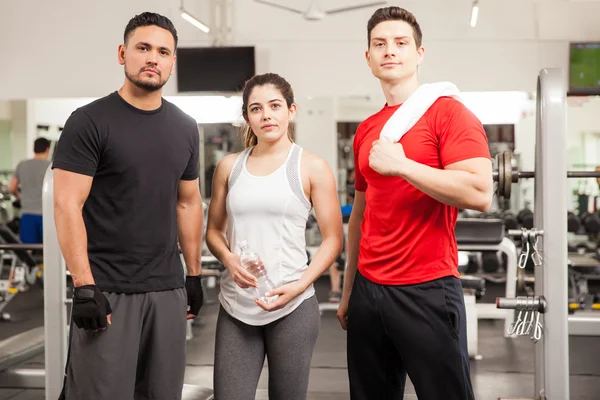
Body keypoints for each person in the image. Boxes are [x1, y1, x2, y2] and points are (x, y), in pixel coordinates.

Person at [336, 6, 493, 400]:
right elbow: (361, 214)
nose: (390, 51)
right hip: (370, 291)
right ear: (368, 57)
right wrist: (350, 288)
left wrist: (404, 166)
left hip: (427, 288)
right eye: (380, 44)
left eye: (401, 43)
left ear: (419, 53)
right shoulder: (367, 130)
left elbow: (480, 192)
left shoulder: (449, 113)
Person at [51, 12, 204, 400]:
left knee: (162, 393)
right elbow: (67, 204)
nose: (153, 58)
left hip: (167, 289)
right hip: (107, 290)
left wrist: (195, 275)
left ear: (173, 62)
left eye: (163, 51)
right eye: (143, 48)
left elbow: (188, 203)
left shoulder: (186, 127)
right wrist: (84, 286)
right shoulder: (88, 121)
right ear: (123, 54)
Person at [206, 72, 343, 400]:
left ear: (291, 111)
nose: (266, 115)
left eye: (275, 106)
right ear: (246, 118)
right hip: (237, 305)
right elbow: (213, 232)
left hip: (293, 306)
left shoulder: (311, 166)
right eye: (256, 108)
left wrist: (301, 284)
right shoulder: (229, 167)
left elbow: (333, 239)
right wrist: (228, 258)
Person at [9, 137, 52, 243]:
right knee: (47, 249)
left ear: (34, 149)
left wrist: (19, 196)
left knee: (27, 250)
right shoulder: (51, 167)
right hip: (46, 215)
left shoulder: (22, 165)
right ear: (47, 149)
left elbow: (12, 188)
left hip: (27, 213)